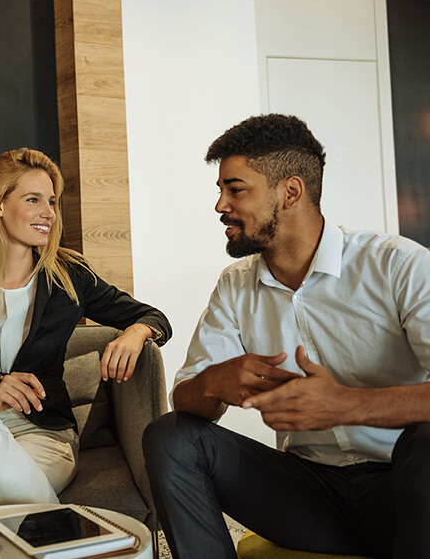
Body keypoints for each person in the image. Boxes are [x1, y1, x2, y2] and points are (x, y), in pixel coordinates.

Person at [142, 114, 430, 559]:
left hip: (404, 493)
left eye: (235, 190)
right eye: (220, 191)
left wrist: (348, 404)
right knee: (172, 436)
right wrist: (214, 382)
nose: (221, 205)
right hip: (308, 495)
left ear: (290, 192)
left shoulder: (397, 265)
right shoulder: (235, 285)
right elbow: (189, 402)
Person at [0, 147, 171, 514]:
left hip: (45, 436)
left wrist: (136, 333)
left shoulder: (70, 277)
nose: (48, 213)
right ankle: (76, 541)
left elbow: (154, 317)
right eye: (33, 199)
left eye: (52, 201)